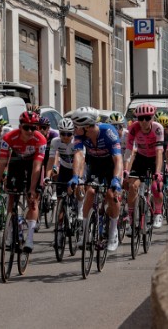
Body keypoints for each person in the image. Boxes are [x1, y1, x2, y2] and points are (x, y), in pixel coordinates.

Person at [68, 107, 124, 252]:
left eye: (76, 126)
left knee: (112, 196)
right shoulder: (80, 136)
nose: (74, 130)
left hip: (111, 165)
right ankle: (85, 233)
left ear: (86, 127)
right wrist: (75, 176)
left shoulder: (108, 132)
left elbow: (118, 159)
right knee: (90, 192)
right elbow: (79, 155)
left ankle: (113, 233)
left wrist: (116, 179)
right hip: (95, 164)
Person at [0, 110, 47, 253]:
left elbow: (37, 166)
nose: (30, 131)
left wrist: (31, 189)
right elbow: (2, 162)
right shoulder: (9, 137)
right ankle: (11, 233)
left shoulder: (40, 139)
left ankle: (29, 238)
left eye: (34, 127)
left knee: (33, 200)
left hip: (32, 164)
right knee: (12, 196)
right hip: (17, 162)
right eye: (26, 127)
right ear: (20, 126)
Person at [124, 104, 165, 229]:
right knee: (132, 186)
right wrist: (126, 169)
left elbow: (159, 152)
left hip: (154, 158)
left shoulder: (158, 128)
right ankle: (131, 218)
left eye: (147, 118)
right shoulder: (133, 128)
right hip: (141, 158)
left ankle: (158, 212)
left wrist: (157, 172)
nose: (143, 121)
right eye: (140, 118)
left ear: (152, 117)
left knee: (155, 186)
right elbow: (129, 151)